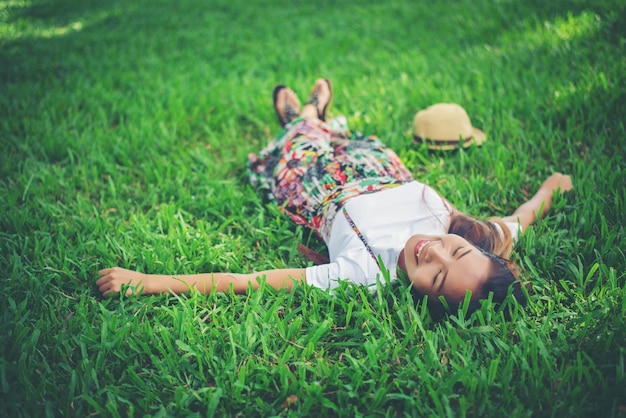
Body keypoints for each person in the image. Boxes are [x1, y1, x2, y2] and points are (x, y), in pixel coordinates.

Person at [96, 79, 572, 316]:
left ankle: (306, 114)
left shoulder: (364, 274)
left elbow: (249, 281)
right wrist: (552, 188)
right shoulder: (467, 231)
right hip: (377, 163)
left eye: (436, 274)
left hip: (316, 181)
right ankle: (308, 120)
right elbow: (520, 219)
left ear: (423, 297)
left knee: (300, 144)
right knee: (325, 137)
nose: (435, 251)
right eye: (457, 250)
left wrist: (147, 281)